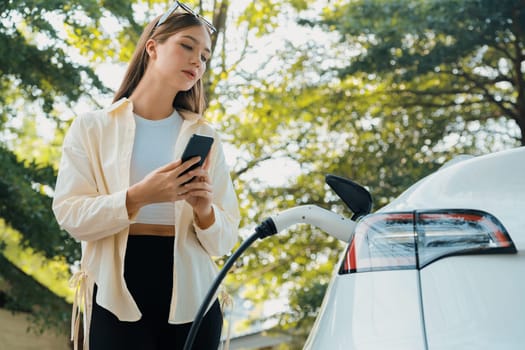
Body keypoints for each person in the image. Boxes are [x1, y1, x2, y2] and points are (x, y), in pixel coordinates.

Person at [52, 2, 240, 349]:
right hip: (114, 289)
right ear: (152, 47)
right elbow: (71, 215)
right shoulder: (92, 127)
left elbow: (225, 240)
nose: (197, 61)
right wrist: (139, 196)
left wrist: (204, 211)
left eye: (204, 56)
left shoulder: (206, 136)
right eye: (187, 45)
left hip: (192, 297)